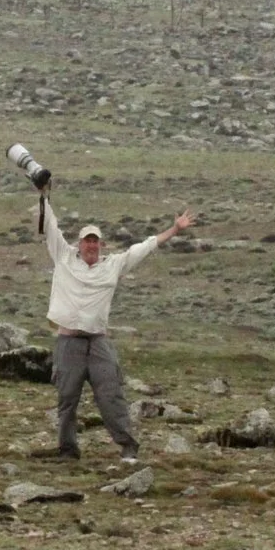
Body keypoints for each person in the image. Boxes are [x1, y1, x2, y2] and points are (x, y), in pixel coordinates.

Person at [35, 187, 196, 461]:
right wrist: (43, 193)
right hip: (68, 341)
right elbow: (49, 225)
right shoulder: (63, 256)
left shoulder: (113, 265)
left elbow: (145, 246)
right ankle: (67, 449)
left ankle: (128, 445)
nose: (91, 245)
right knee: (67, 397)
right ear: (79, 243)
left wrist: (175, 229)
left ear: (102, 245)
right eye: (87, 240)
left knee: (110, 394)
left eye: (95, 241)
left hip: (98, 341)